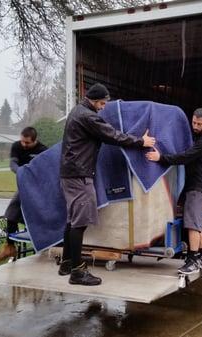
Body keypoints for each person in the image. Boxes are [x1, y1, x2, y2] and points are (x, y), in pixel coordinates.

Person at [59, 83, 156, 286]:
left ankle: (67, 262)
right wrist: (141, 142)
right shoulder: (87, 116)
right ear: (94, 100)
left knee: (72, 219)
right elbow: (112, 135)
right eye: (102, 103)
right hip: (79, 174)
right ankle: (77, 272)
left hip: (70, 173)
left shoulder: (78, 111)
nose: (104, 106)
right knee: (79, 222)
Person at [146, 108, 202, 274]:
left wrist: (160, 158)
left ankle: (193, 260)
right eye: (193, 122)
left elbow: (184, 157)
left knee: (191, 225)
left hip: (197, 188)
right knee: (199, 225)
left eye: (199, 124)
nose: (195, 126)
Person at [0, 127, 47, 262]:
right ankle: (9, 247)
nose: (24, 145)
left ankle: (43, 245)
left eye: (27, 143)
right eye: (22, 141)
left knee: (35, 216)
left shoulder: (43, 150)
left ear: (35, 140)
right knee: (11, 212)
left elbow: (44, 170)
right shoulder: (16, 146)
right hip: (24, 185)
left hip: (38, 186)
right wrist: (21, 172)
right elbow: (13, 164)